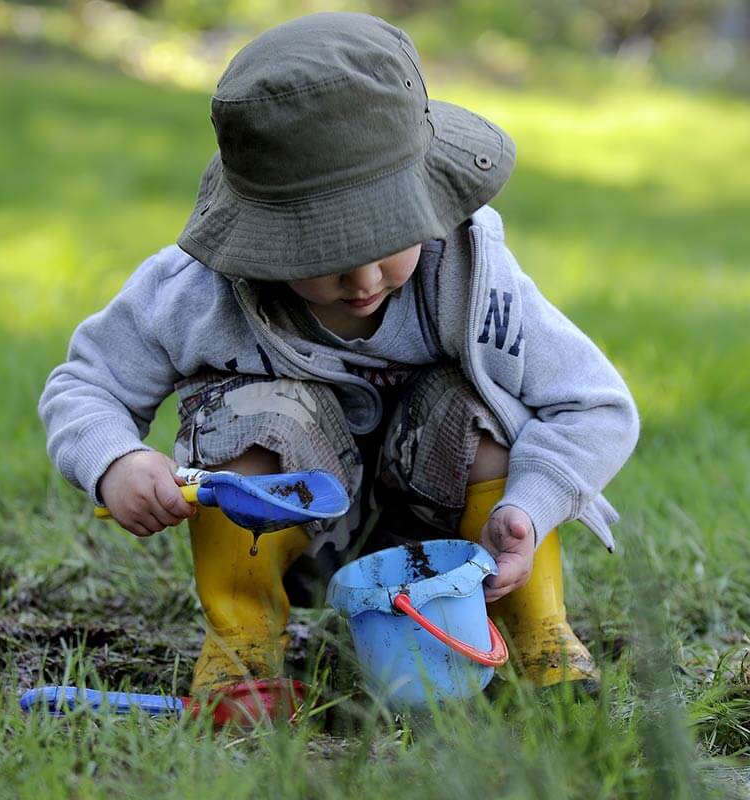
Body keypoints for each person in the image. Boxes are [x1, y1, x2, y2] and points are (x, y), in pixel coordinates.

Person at [39, 12, 640, 705]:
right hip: (288, 534)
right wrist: (115, 459)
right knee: (246, 412)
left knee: (477, 405)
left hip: (451, 541)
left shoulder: (471, 280)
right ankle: (244, 645)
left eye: (388, 241)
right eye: (323, 258)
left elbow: (594, 403)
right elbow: (85, 384)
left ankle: (538, 633)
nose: (362, 281)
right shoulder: (198, 292)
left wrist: (530, 508)